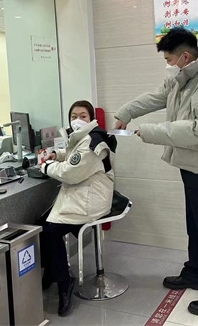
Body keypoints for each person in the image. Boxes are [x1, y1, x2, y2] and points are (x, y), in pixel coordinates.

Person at [114, 28, 198, 317]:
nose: (168, 65)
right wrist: (126, 112)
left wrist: (150, 131)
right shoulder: (185, 76)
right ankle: (195, 272)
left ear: (185, 56)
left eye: (170, 59)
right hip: (194, 164)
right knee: (195, 225)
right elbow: (159, 95)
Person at [39, 100, 116, 317]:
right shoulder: (85, 137)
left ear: (91, 119)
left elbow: (71, 172)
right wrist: (57, 155)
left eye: (83, 116)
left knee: (50, 230)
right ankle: (52, 272)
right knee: (41, 224)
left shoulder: (93, 141)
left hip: (91, 200)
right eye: (74, 116)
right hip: (83, 194)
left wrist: (46, 166)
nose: (77, 120)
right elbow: (74, 155)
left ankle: (64, 283)